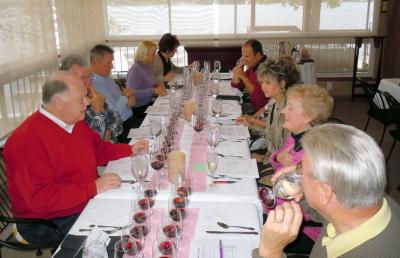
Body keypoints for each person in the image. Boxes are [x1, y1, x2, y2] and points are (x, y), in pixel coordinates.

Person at [3, 71, 149, 244]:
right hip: (46, 220)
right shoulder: (26, 141)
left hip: (81, 197)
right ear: (58, 102)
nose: (88, 102)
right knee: (124, 232)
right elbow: (40, 199)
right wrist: (92, 187)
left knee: (139, 205)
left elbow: (98, 149)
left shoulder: (75, 121)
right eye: (82, 99)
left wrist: (131, 149)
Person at [254, 124, 400, 258]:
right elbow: (328, 209)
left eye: (300, 168)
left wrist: (270, 252)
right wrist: (305, 191)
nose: (295, 172)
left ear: (325, 192)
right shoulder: (372, 199)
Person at [263, 84, 334, 254]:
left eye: (290, 108)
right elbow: (274, 159)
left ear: (308, 116)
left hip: (303, 228)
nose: (282, 111)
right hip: (279, 210)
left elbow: (312, 206)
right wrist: (277, 157)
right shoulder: (297, 137)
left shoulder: (312, 154)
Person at [236, 57, 300, 160]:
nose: (262, 87)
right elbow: (271, 132)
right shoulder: (274, 102)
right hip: (271, 155)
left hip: (278, 165)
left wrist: (264, 159)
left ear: (282, 83)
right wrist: (250, 125)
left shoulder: (288, 110)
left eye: (268, 83)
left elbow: (287, 154)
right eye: (262, 83)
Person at [60, 54, 123, 143]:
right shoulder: (67, 108)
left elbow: (117, 120)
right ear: (67, 80)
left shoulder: (92, 95)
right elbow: (91, 146)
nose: (88, 82)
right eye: (82, 78)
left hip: (113, 149)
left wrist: (108, 132)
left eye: (89, 76)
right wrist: (97, 112)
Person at [90, 44, 137, 143]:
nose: (112, 66)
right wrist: (125, 97)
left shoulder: (107, 78)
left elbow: (120, 100)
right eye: (109, 63)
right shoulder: (93, 85)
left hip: (131, 120)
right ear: (96, 63)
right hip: (120, 130)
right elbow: (112, 115)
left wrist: (129, 102)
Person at [126, 41, 167, 111]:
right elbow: (130, 95)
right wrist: (153, 91)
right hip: (139, 109)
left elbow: (148, 84)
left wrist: (158, 85)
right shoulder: (135, 70)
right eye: (153, 54)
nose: (155, 56)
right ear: (144, 55)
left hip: (148, 104)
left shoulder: (146, 66)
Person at [231, 39, 268, 114]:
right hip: (252, 106)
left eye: (247, 56)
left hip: (263, 112)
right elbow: (236, 85)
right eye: (243, 56)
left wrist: (243, 76)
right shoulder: (253, 66)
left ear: (258, 55)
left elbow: (259, 98)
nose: (244, 60)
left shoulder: (267, 69)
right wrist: (240, 67)